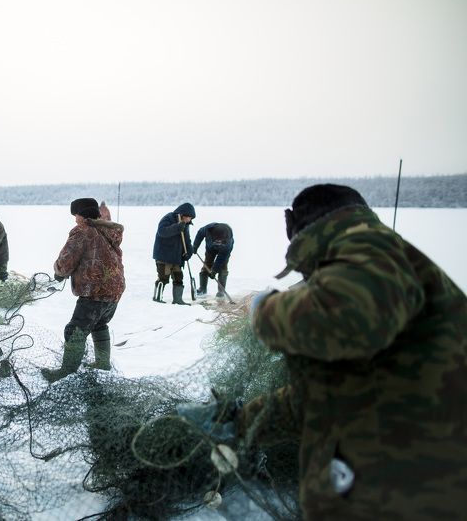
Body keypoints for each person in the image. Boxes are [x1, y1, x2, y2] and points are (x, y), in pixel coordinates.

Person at [187, 184, 467, 519]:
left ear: (297, 228)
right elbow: (329, 393)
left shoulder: (368, 247)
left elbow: (347, 318)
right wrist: (240, 422)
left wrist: (269, 312)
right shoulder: (370, 254)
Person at [41, 198, 125, 382]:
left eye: (76, 215)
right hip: (114, 290)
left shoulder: (82, 231)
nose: (75, 219)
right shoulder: (109, 229)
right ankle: (102, 363)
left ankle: (67, 372)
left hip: (94, 290)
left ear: (82, 215)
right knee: (99, 324)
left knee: (75, 330)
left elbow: (67, 259)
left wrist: (59, 272)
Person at [152, 203, 195, 305]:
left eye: (191, 218)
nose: (189, 220)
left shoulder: (186, 225)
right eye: (189, 217)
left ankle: (178, 300)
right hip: (164, 255)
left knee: (178, 278)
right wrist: (177, 227)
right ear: (183, 214)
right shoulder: (168, 218)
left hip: (176, 257)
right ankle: (157, 298)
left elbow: (187, 240)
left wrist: (189, 252)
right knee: (163, 278)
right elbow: (162, 232)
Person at [192, 222, 234, 298]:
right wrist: (195, 246)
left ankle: (221, 291)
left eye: (219, 242)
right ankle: (202, 289)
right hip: (210, 248)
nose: (218, 243)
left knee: (223, 267)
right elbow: (200, 234)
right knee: (207, 264)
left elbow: (221, 258)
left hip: (224, 251)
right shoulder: (208, 229)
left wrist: (214, 271)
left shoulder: (228, 242)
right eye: (216, 241)